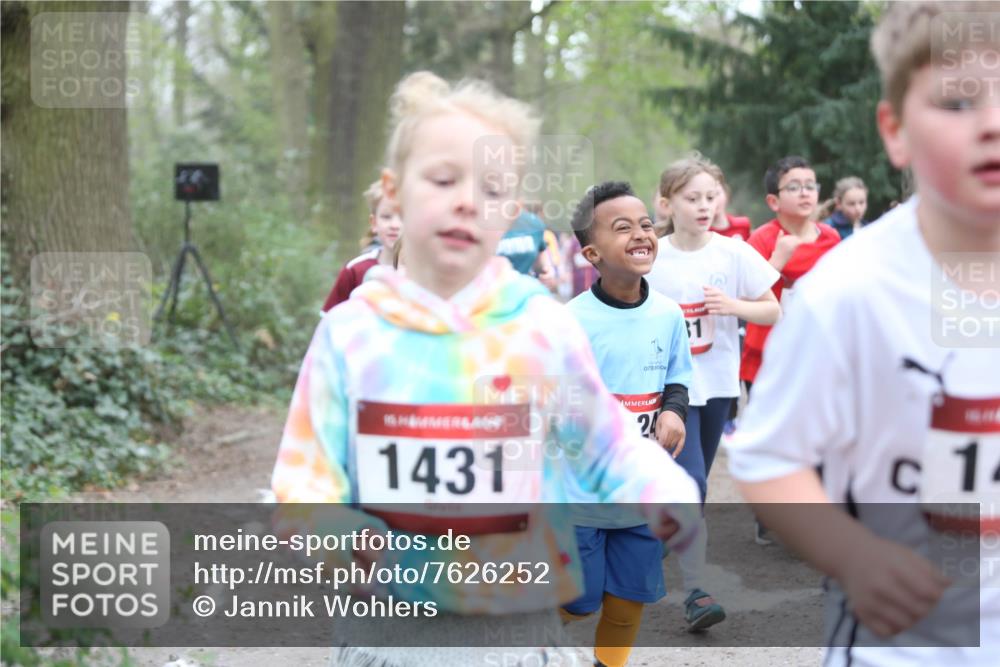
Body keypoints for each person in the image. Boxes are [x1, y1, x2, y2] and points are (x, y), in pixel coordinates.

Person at [271, 71, 702, 667]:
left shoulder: (543, 328)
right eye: (444, 179)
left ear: (515, 213)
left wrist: (664, 490)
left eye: (493, 188)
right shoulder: (350, 334)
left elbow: (605, 446)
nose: (468, 200)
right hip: (389, 633)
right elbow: (302, 477)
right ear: (392, 195)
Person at [726, 3, 999, 665]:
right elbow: (765, 459)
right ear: (896, 130)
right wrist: (855, 555)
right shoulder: (848, 292)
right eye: (957, 103)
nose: (992, 124)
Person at [561, 181, 693, 666]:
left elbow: (678, 377)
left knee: (627, 598)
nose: (641, 233)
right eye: (623, 228)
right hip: (581, 494)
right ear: (593, 252)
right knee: (580, 598)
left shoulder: (669, 314)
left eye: (644, 224)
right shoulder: (570, 322)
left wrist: (674, 411)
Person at [647, 155, 781, 631]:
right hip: (667, 390)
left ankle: (669, 537)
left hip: (717, 384)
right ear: (666, 203)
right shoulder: (653, 256)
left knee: (691, 488)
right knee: (690, 483)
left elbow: (772, 310)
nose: (704, 206)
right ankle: (697, 591)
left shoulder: (733, 252)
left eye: (711, 196)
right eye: (692, 198)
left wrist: (734, 306)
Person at [739, 155, 839, 393]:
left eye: (810, 186)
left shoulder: (831, 237)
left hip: (818, 353)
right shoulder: (761, 240)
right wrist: (777, 261)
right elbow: (744, 298)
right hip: (768, 355)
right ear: (774, 201)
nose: (805, 193)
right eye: (794, 187)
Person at [320, 180, 402, 313]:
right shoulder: (354, 270)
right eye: (386, 217)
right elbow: (330, 324)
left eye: (403, 217)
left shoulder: (426, 273)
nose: (394, 225)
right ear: (374, 223)